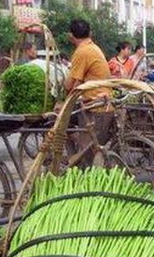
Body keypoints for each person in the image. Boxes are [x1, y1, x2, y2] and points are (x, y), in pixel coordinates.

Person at [64, 19, 114, 164]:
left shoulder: (82, 51)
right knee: (93, 149)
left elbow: (73, 84)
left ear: (71, 36)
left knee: (88, 152)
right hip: (104, 103)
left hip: (94, 106)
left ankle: (83, 173)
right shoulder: (94, 47)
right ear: (89, 33)